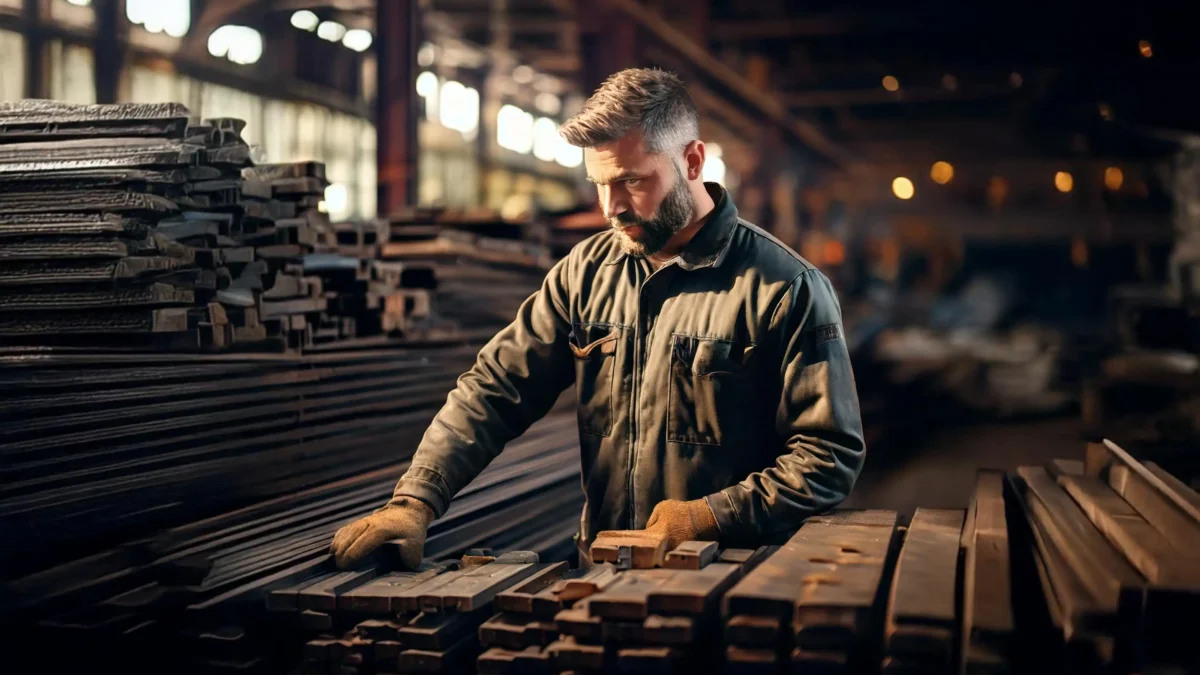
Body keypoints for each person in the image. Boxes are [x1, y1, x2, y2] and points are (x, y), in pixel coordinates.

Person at [330, 68, 866, 570]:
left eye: (631, 181)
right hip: (603, 575)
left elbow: (829, 455)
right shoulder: (586, 272)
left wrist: (709, 517)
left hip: (727, 580)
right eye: (599, 183)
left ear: (694, 162)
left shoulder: (784, 287)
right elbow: (494, 388)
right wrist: (417, 498)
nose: (610, 207)